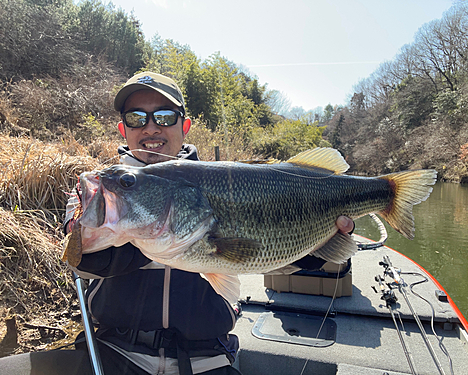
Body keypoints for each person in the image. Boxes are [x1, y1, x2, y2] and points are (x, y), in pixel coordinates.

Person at [0, 71, 354, 375]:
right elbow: (91, 262)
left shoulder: (225, 184)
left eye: (165, 116)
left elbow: (270, 253)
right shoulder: (98, 190)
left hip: (208, 358)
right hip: (114, 352)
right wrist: (149, 226)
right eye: (137, 118)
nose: (151, 128)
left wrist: (321, 243)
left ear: (184, 125)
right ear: (123, 129)